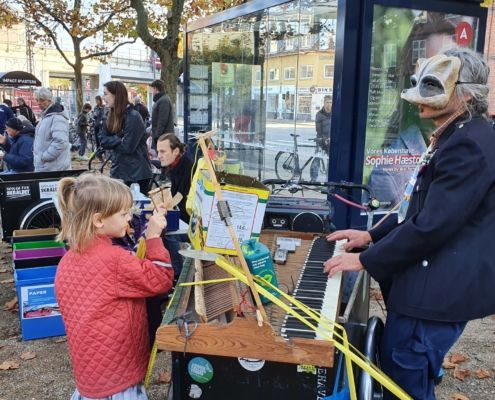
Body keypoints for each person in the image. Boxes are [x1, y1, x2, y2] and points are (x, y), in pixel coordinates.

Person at [324, 47, 495, 400]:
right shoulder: (458, 135)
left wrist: (366, 260)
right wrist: (371, 235)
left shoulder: (468, 144)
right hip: (435, 287)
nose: (419, 97)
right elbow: (420, 213)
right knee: (407, 368)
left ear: (465, 94)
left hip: (436, 295)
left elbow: (433, 225)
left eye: (433, 85)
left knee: (405, 378)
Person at [55, 174, 174, 400]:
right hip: (120, 374)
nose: (129, 218)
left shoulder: (68, 259)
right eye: (123, 214)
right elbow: (161, 279)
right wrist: (154, 237)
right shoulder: (115, 260)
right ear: (98, 220)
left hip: (91, 370)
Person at [100, 81, 153, 194]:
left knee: (134, 210)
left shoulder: (133, 116)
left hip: (136, 174)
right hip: (118, 170)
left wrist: (113, 141)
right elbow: (102, 140)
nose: (103, 98)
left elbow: (128, 147)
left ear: (116, 95)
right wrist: (119, 138)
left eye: (106, 94)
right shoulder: (109, 115)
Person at [156, 133, 194, 223]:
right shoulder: (173, 165)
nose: (158, 156)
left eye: (162, 151)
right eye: (158, 151)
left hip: (184, 222)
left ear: (176, 151)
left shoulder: (188, 169)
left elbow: (180, 201)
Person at [33, 87, 71, 172]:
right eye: (37, 100)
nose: (39, 103)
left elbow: (61, 141)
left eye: (42, 100)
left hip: (54, 168)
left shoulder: (57, 118)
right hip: (46, 167)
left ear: (50, 100)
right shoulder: (45, 117)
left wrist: (44, 157)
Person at [311, 95, 332, 181]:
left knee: (330, 161)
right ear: (324, 103)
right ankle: (313, 178)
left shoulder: (334, 113)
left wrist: (330, 138)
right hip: (321, 139)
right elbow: (318, 130)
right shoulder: (319, 114)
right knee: (317, 159)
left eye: (331, 102)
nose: (329, 104)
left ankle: (328, 180)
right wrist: (324, 139)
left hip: (330, 140)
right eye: (327, 102)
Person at [150, 79, 174, 149]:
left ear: (156, 88)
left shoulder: (163, 101)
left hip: (163, 138)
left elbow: (162, 121)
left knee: (164, 158)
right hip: (163, 137)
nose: (152, 91)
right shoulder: (161, 100)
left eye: (153, 89)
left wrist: (157, 136)